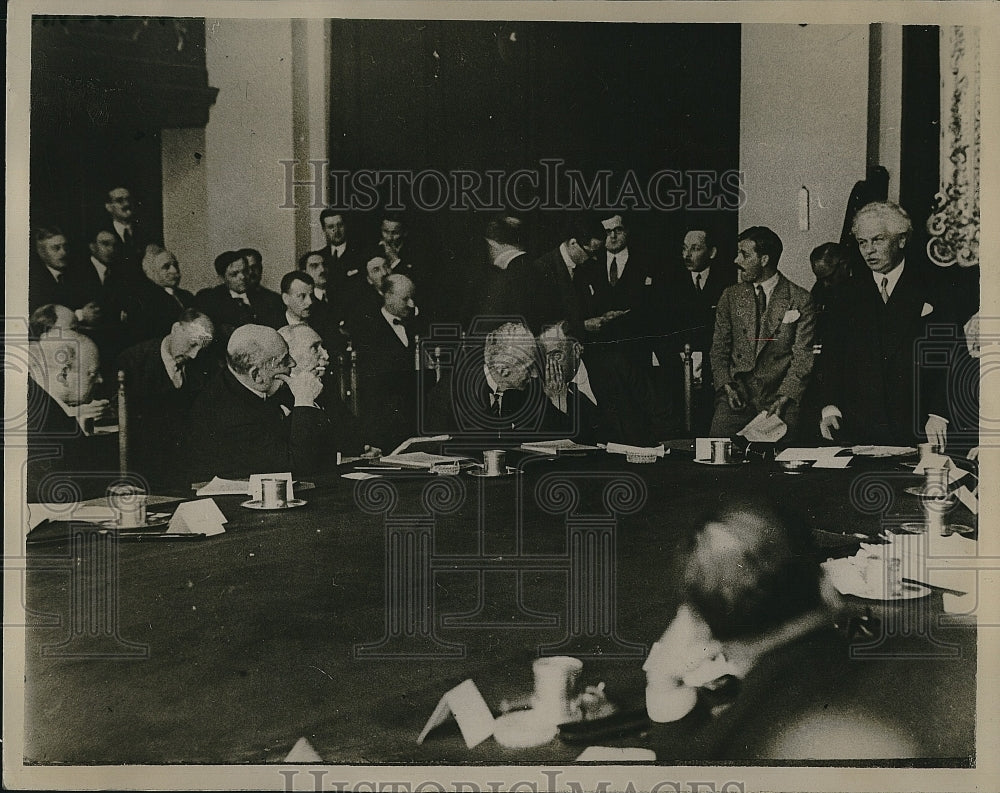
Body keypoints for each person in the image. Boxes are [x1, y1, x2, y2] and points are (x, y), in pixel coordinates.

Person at [644, 495, 924, 760]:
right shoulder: (913, 660)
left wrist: (663, 684)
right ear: (827, 588)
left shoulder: (735, 738)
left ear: (702, 627)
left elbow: (687, 767)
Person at [818, 202, 951, 448]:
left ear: (901, 240)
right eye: (862, 242)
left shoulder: (935, 287)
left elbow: (952, 357)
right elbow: (831, 358)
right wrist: (830, 407)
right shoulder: (845, 294)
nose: (869, 251)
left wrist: (939, 413)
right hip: (860, 428)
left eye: (877, 240)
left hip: (919, 425)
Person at [183, 324, 329, 482]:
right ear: (257, 374)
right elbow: (299, 465)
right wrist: (305, 400)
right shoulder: (228, 412)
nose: (293, 364)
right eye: (284, 360)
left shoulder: (254, 384)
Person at [709, 226, 816, 437]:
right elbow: (719, 349)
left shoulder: (800, 299)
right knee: (717, 452)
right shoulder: (730, 297)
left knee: (780, 459)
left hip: (779, 398)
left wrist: (785, 396)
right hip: (737, 395)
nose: (736, 260)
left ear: (764, 259)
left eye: (745, 255)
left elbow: (803, 356)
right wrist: (728, 387)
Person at [654, 223, 738, 434]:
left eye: (695, 248)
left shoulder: (728, 283)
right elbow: (662, 327)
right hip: (678, 363)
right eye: (684, 248)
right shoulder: (667, 283)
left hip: (715, 366)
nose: (687, 255)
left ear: (712, 252)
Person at [116, 309, 215, 485]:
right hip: (144, 469)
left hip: (187, 467)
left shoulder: (204, 364)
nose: (195, 354)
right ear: (176, 329)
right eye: (192, 344)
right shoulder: (133, 362)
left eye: (202, 347)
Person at [539, 320, 673, 445]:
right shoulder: (545, 389)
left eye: (555, 356)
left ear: (576, 350)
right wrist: (558, 402)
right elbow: (558, 446)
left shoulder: (616, 366)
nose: (548, 365)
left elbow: (662, 414)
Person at [423, 320, 548, 444]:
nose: (535, 375)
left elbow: (553, 434)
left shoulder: (528, 390)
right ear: (503, 370)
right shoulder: (451, 392)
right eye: (529, 368)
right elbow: (435, 451)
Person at [26, 330, 115, 501]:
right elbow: (57, 490)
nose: (100, 380)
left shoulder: (34, 403)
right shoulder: (41, 417)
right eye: (93, 373)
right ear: (64, 374)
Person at [348, 274, 427, 450]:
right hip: (383, 421)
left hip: (414, 416)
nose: (411, 304)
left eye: (412, 298)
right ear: (388, 296)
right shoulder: (367, 328)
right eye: (405, 298)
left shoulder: (418, 324)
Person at [277, 323, 379, 458]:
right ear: (290, 355)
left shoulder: (326, 389)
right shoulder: (277, 397)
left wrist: (363, 450)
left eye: (323, 347)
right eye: (314, 348)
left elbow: (355, 436)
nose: (325, 355)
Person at [581, 212, 657, 370]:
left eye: (618, 230)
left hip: (636, 351)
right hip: (599, 352)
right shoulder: (588, 265)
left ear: (627, 231)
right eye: (607, 232)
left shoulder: (645, 262)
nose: (613, 236)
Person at [530, 215, 608, 339]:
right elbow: (541, 323)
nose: (595, 258)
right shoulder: (542, 269)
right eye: (591, 253)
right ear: (573, 243)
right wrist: (582, 326)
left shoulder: (582, 267)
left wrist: (604, 316)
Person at [124, 244, 195, 344]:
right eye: (166, 267)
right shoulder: (144, 301)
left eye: (175, 265)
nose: (174, 271)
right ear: (151, 272)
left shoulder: (186, 296)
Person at [195, 250, 262, 340]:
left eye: (245, 271)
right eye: (234, 274)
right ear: (221, 279)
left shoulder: (266, 298)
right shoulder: (210, 300)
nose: (242, 277)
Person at [102, 184, 152, 281]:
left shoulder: (146, 233)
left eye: (129, 199)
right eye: (120, 200)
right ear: (108, 207)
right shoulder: (102, 235)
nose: (127, 204)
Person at [240, 247, 285, 328]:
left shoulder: (275, 300)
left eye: (254, 267)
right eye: (246, 268)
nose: (251, 272)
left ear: (261, 269)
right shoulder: (225, 298)